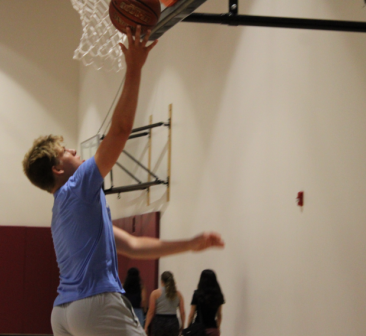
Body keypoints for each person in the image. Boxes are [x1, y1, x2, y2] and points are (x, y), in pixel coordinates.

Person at [22, 26, 225, 336]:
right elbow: (120, 130)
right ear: (57, 170)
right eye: (66, 151)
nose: (74, 150)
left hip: (63, 313)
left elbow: (133, 244)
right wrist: (134, 69)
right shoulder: (79, 186)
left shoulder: (63, 212)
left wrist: (190, 244)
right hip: (95, 305)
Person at [144, 271, 185, 336]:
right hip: (173, 321)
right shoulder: (178, 294)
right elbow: (182, 312)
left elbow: (151, 311)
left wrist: (146, 326)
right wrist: (182, 326)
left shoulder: (155, 293)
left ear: (161, 281)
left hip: (159, 322)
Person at [186, 270, 225, 336]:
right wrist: (217, 328)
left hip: (199, 329)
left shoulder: (197, 294)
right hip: (213, 329)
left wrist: (189, 327)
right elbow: (219, 315)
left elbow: (191, 314)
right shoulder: (218, 295)